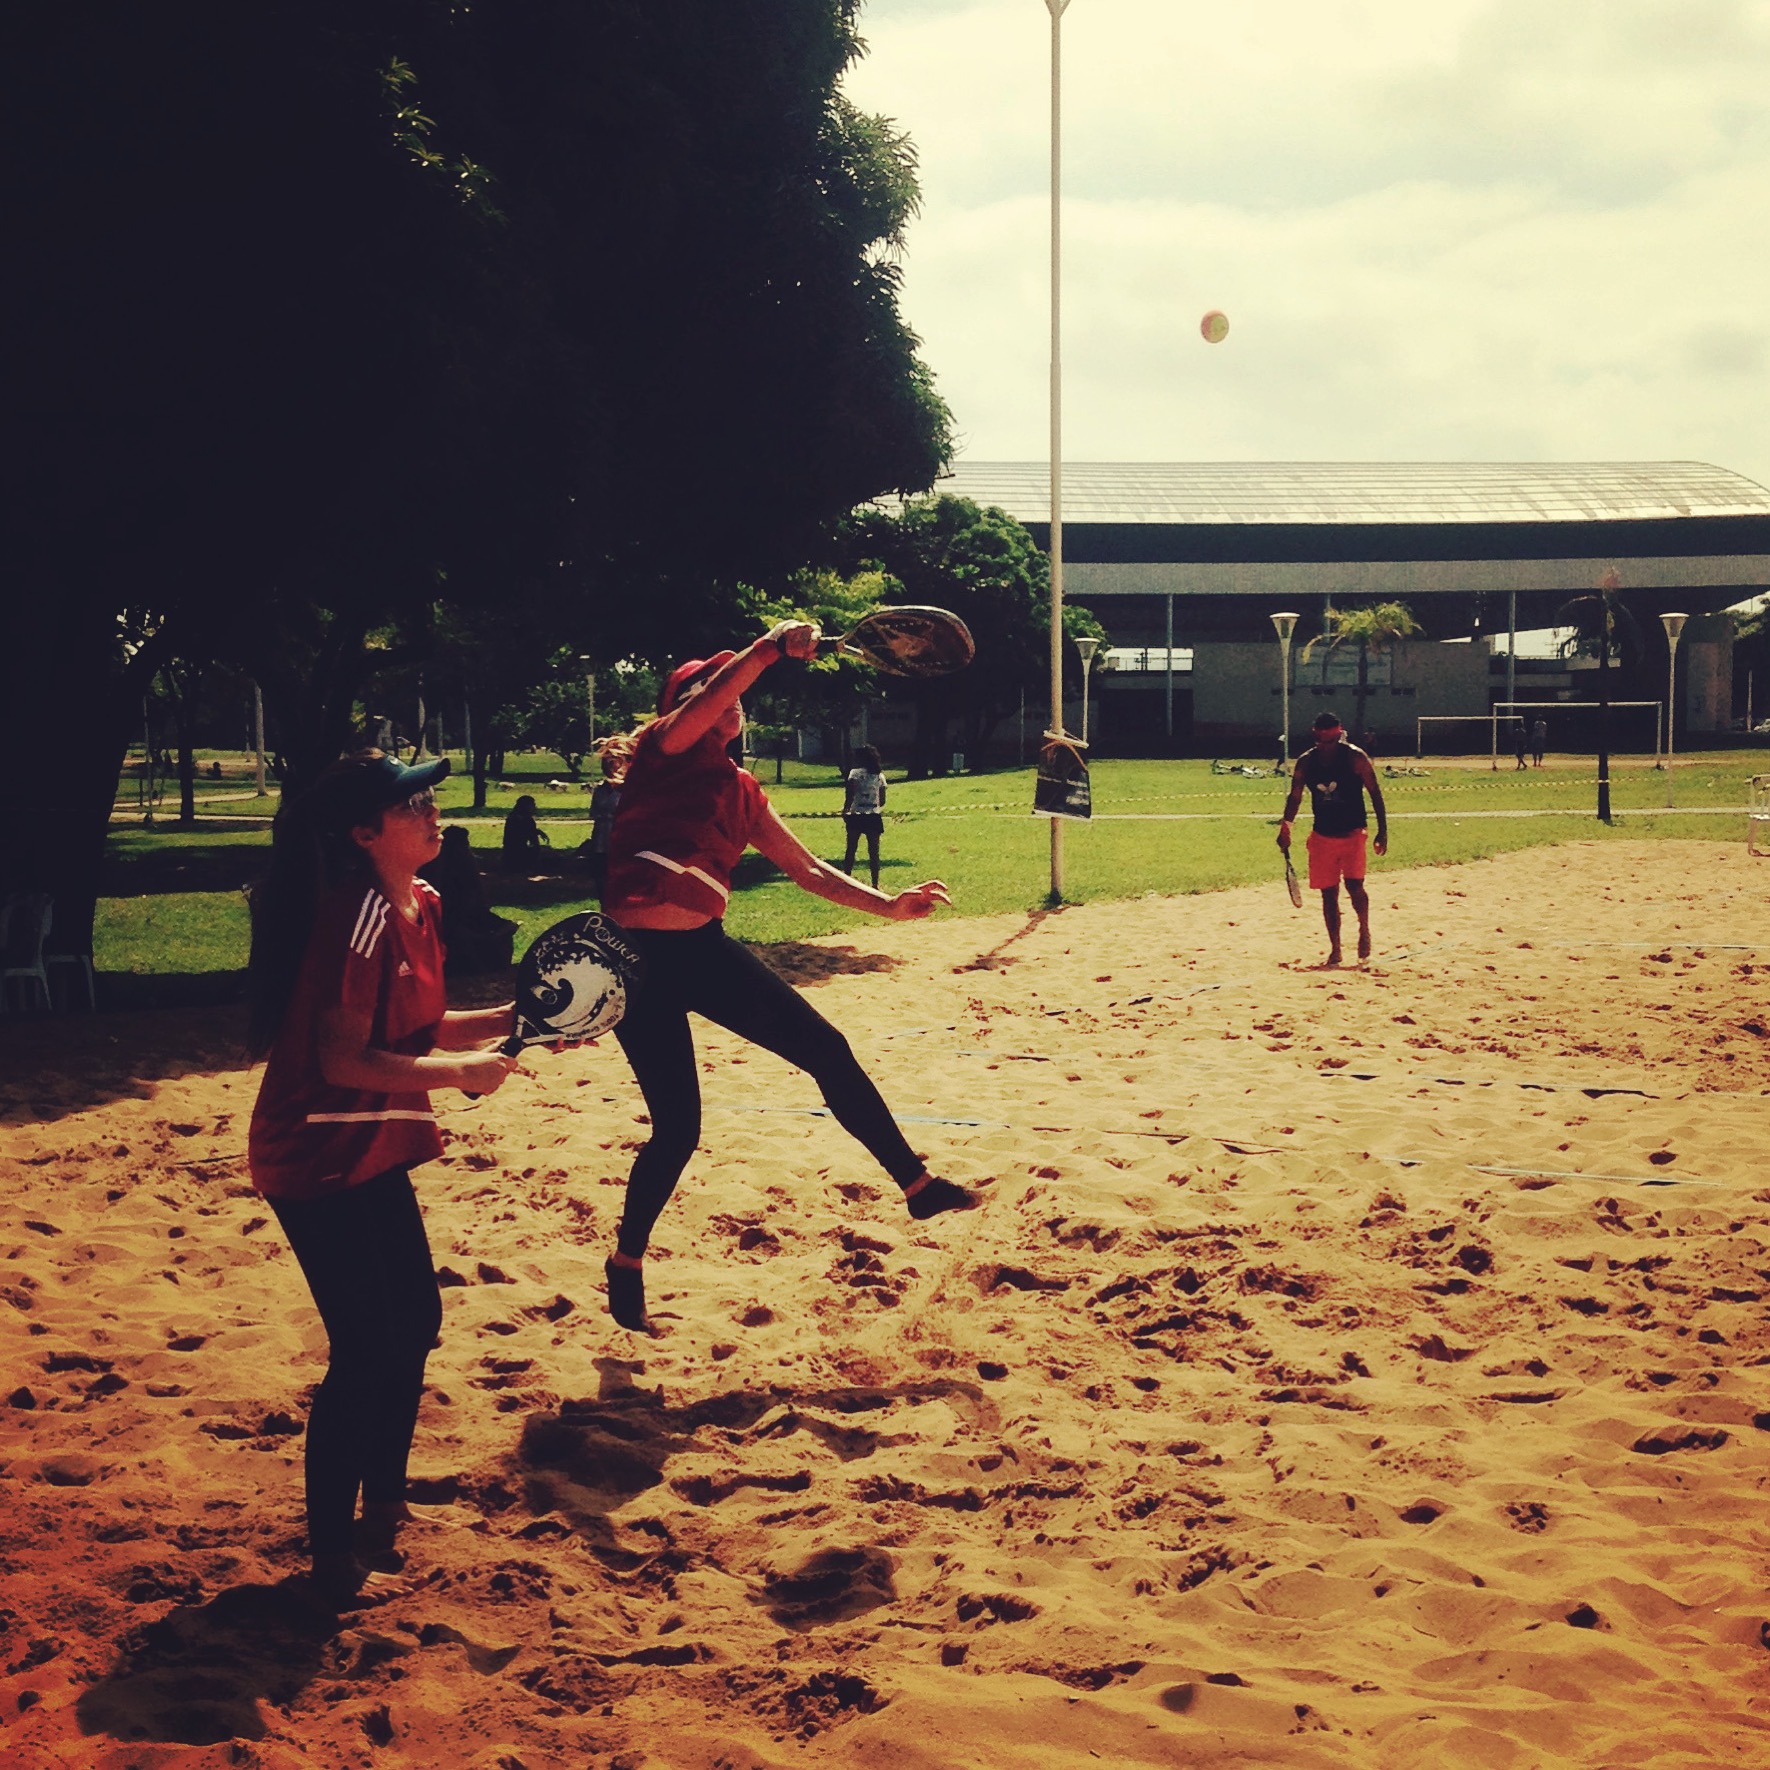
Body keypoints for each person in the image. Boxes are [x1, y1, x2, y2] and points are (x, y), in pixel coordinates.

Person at [600, 622, 974, 1332]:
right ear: (683, 706)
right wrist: (767, 650)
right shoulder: (665, 750)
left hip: (703, 953)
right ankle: (626, 1264)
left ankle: (916, 1184)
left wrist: (887, 906)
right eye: (707, 688)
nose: (726, 697)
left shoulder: (742, 787)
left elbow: (808, 870)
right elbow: (717, 691)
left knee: (827, 1051)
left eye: (726, 687)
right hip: (637, 963)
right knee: (677, 1131)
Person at [245, 751, 518, 1607]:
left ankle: (385, 1503)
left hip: (373, 1142)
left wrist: (521, 1019)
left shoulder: (423, 903)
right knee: (364, 1345)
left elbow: (421, 1026)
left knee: (419, 1320)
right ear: (366, 834)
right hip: (314, 1150)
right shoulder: (356, 914)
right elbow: (342, 1057)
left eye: (431, 798)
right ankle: (332, 1553)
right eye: (412, 804)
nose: (432, 812)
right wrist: (463, 1074)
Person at [1276, 711, 1388, 966]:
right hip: (1323, 836)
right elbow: (1295, 797)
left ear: (1339, 733)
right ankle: (1335, 948)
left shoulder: (1355, 757)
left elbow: (1375, 792)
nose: (1326, 745)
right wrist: (1286, 828)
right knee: (1329, 894)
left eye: (1331, 740)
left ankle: (1364, 929)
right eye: (1322, 740)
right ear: (1315, 735)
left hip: (1353, 834)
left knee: (1354, 887)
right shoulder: (1306, 762)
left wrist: (1383, 830)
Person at [418, 824, 518, 974]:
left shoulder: (444, 862)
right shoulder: (443, 864)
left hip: (460, 912)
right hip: (450, 915)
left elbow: (476, 894)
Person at [840, 744, 888, 888]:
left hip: (856, 815)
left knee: (851, 849)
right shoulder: (879, 776)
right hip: (873, 816)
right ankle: (875, 883)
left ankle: (846, 880)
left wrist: (845, 809)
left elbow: (850, 794)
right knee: (874, 852)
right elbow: (883, 799)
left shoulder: (854, 774)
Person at [585, 747, 625, 900]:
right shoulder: (600, 790)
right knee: (601, 877)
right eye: (607, 763)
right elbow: (594, 813)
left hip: (621, 839)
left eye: (614, 763)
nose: (611, 767)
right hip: (601, 839)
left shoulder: (627, 788)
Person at [501, 793, 550, 872]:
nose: (535, 807)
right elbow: (530, 838)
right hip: (517, 853)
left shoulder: (513, 817)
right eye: (532, 805)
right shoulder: (522, 820)